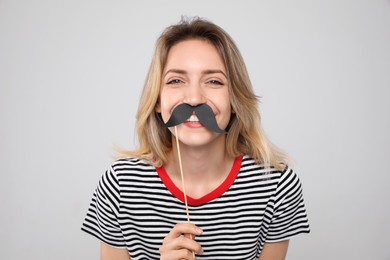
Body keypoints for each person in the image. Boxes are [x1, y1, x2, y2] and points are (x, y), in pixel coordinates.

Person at [81, 17, 310, 260]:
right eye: (176, 80)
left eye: (213, 81)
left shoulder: (276, 186)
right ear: (157, 101)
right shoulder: (120, 186)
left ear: (234, 100)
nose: (193, 99)